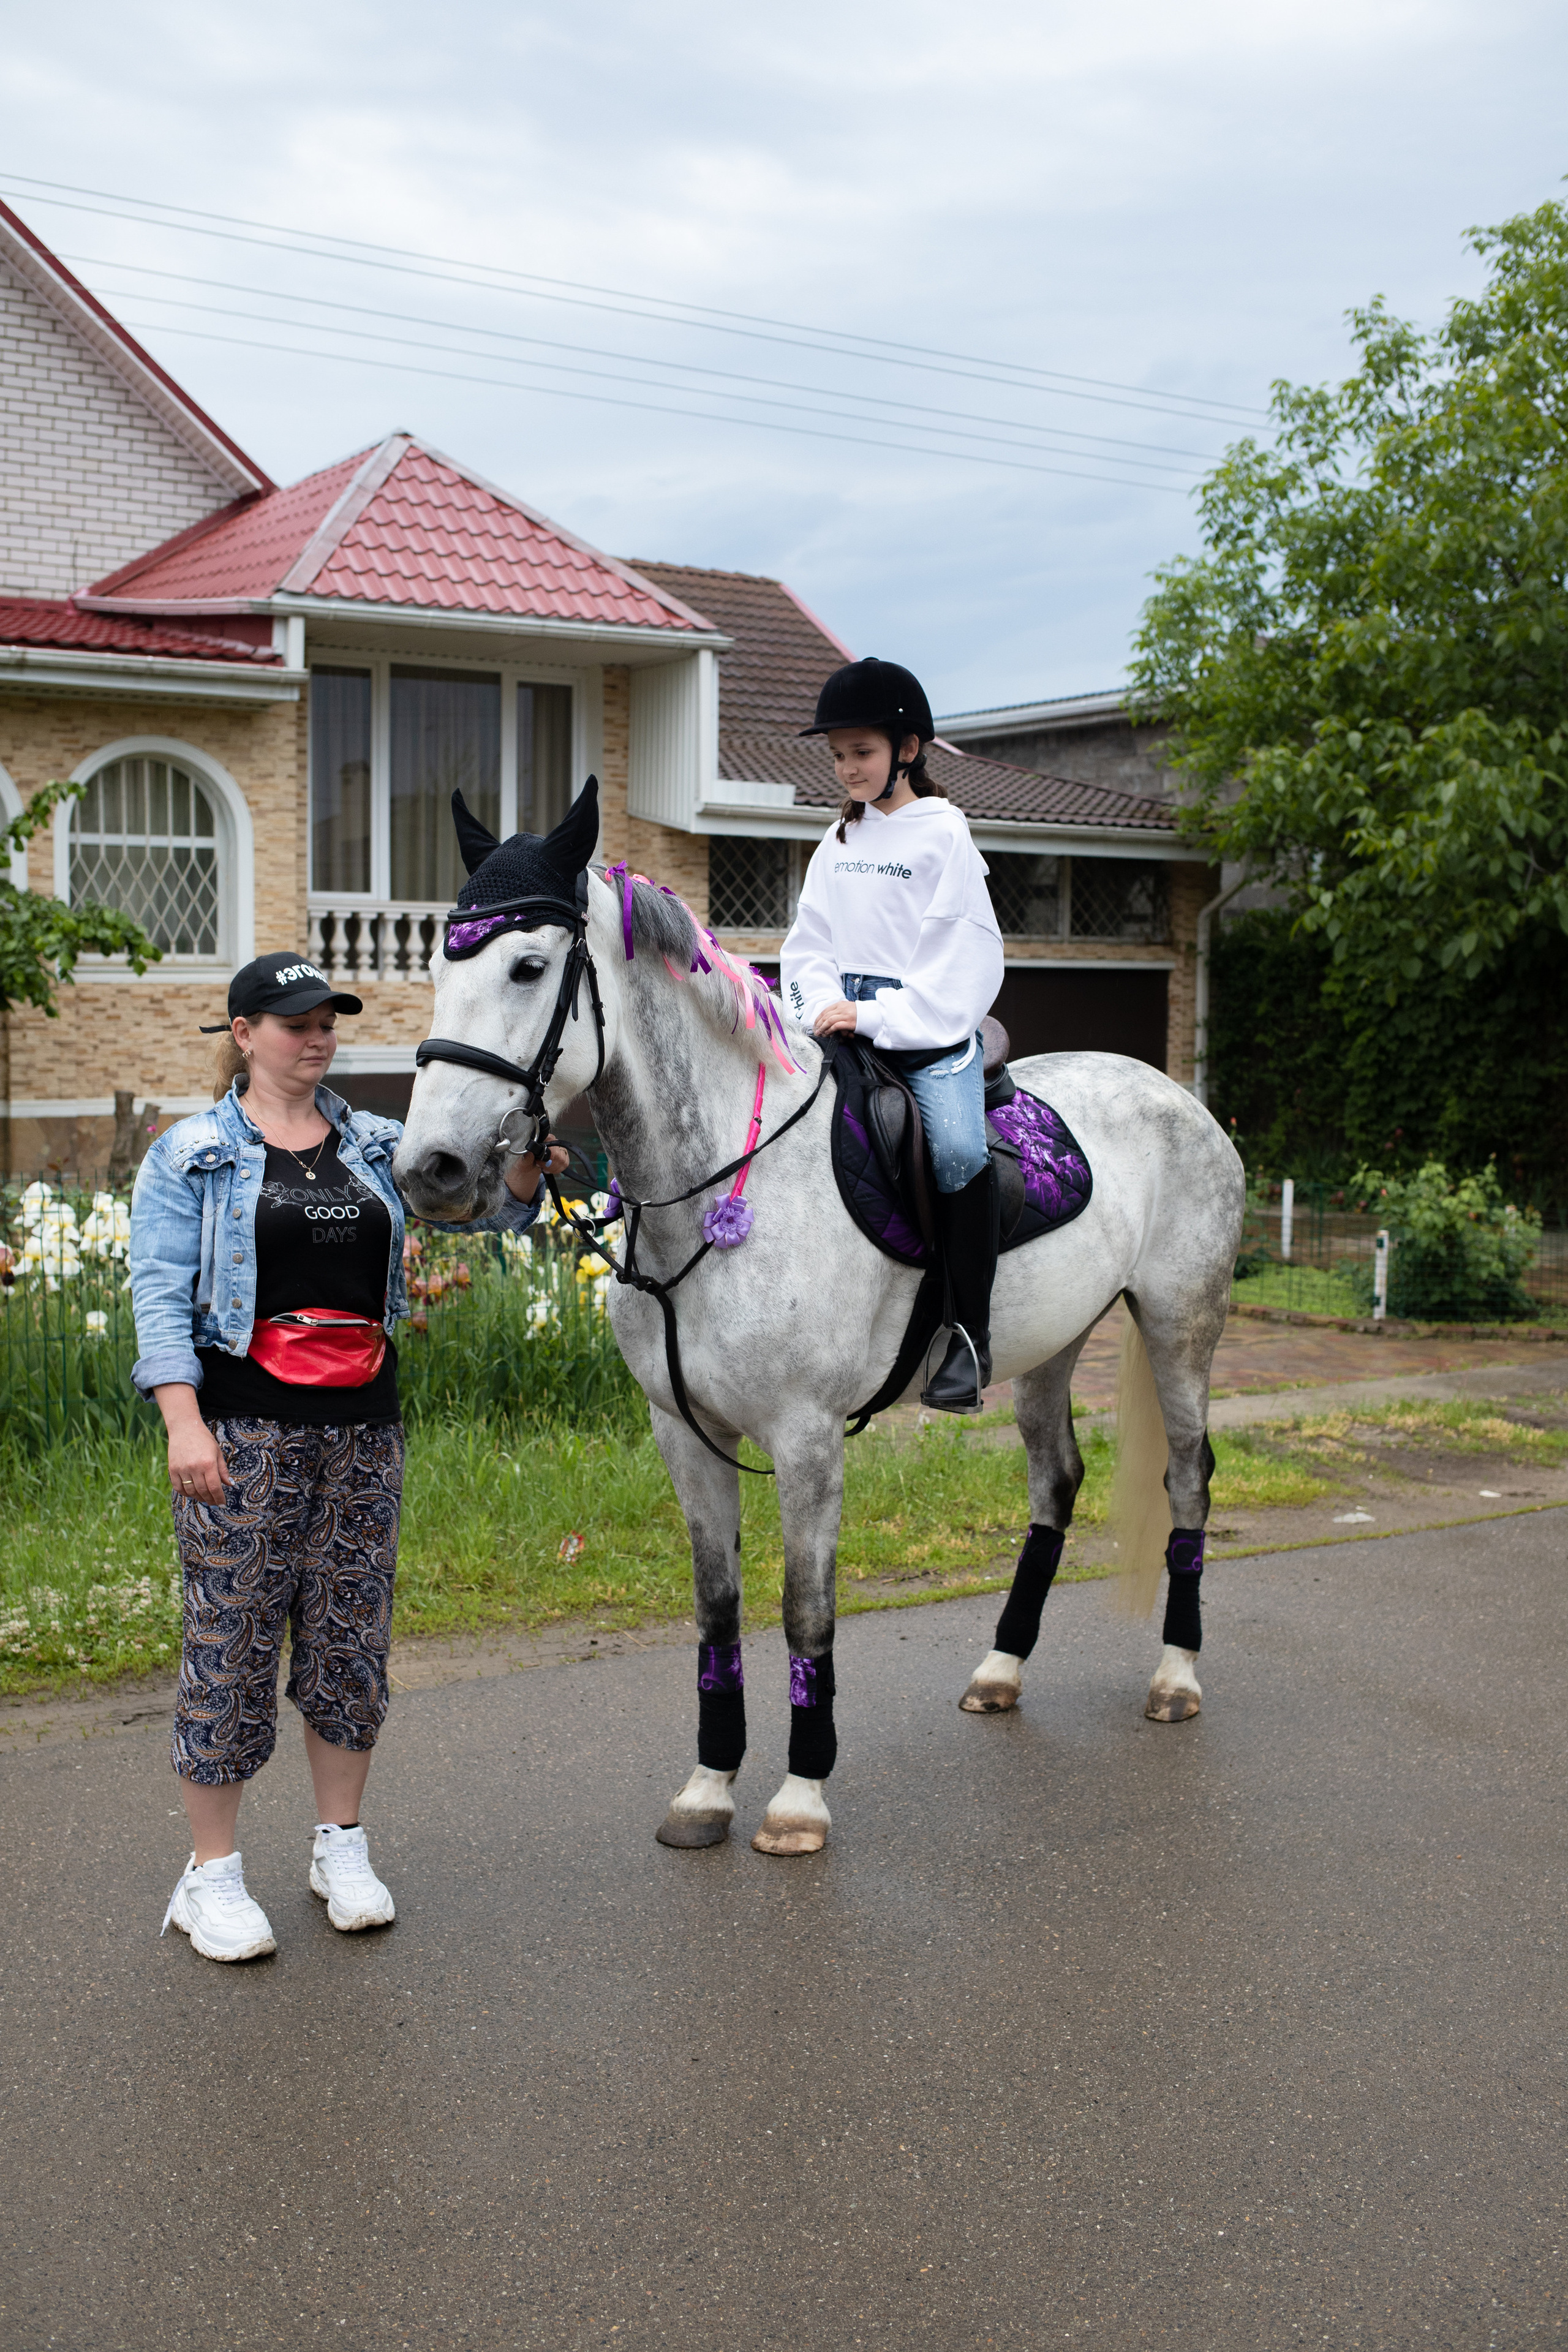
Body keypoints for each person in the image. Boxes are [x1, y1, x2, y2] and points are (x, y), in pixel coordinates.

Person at [130, 949, 562, 1963]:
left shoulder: (376, 1145)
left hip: (364, 1429)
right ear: (244, 1035)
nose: (318, 1036)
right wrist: (182, 1421)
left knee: (349, 1644)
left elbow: (477, 1211)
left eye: (329, 1020)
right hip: (242, 1429)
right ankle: (212, 1877)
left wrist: (530, 1172)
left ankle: (341, 1848)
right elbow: (158, 1293)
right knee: (230, 1644)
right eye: (296, 1022)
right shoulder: (190, 1153)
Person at [780, 657, 1005, 1412]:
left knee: (958, 1149)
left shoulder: (944, 836)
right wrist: (818, 1005)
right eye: (839, 754)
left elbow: (964, 962)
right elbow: (805, 945)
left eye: (862, 752)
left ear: (907, 750)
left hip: (925, 1030)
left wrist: (873, 1014)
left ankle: (968, 1337)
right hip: (837, 1022)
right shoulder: (835, 841)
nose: (847, 767)